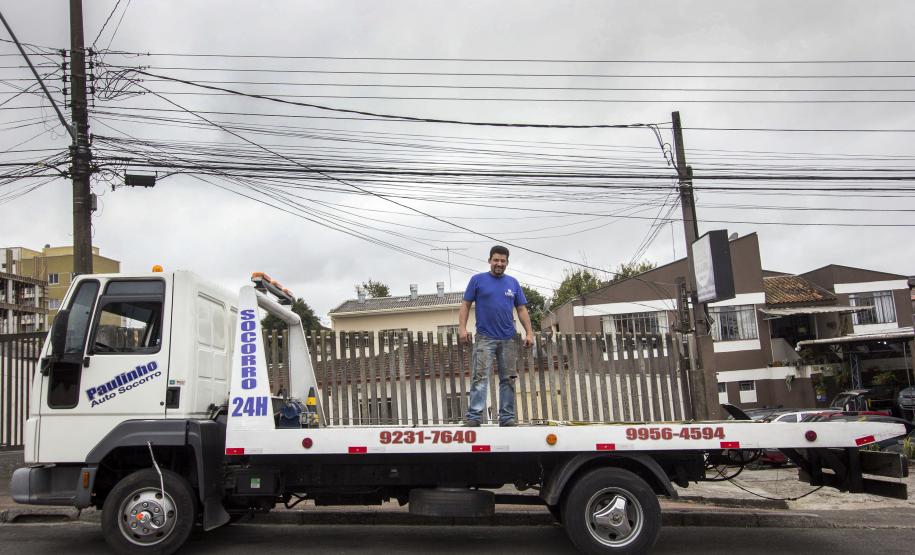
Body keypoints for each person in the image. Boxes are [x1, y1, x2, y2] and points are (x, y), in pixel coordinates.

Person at [459, 245, 535, 427]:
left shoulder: (513, 283)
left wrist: (530, 332)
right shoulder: (477, 280)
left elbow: (522, 309)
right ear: (489, 261)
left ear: (507, 263)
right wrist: (462, 328)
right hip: (485, 338)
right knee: (480, 378)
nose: (499, 263)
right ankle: (475, 416)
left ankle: (507, 418)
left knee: (508, 379)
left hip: (508, 339)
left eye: (502, 261)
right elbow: (465, 305)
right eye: (496, 260)